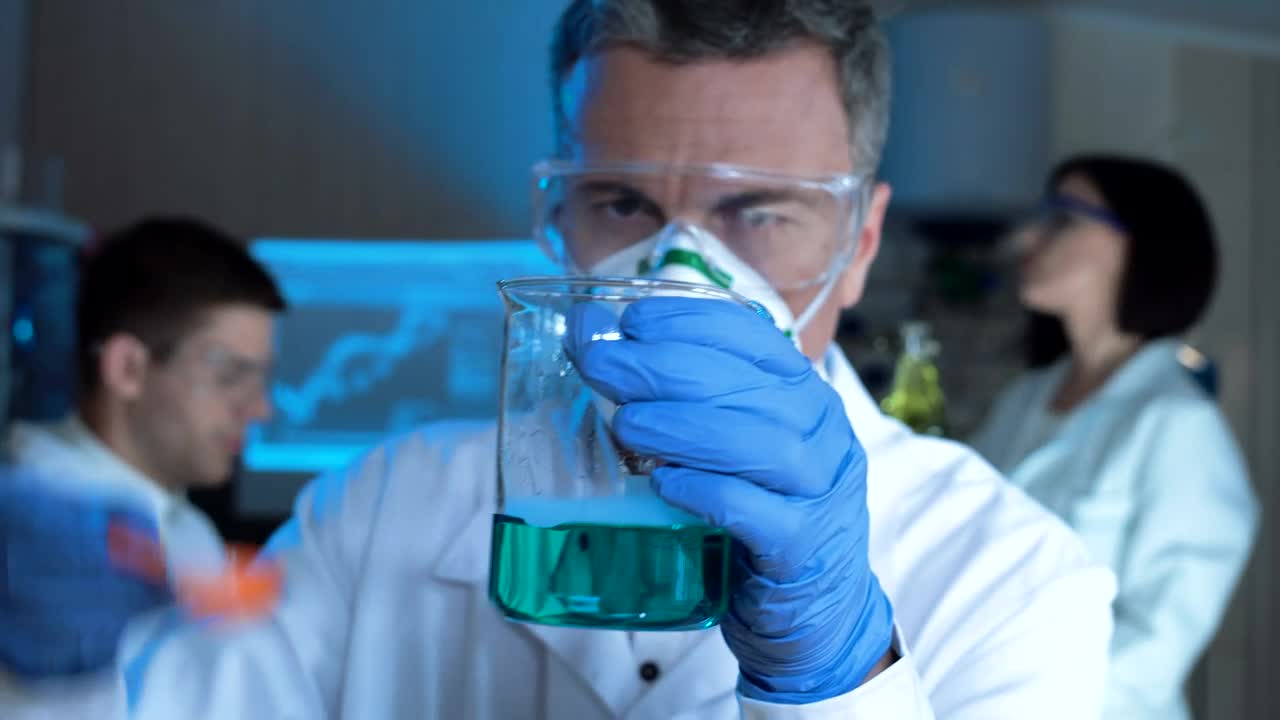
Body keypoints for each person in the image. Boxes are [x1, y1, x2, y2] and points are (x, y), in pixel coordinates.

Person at [1, 3, 1118, 718]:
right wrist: (46, 679)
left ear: (860, 243)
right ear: (555, 214)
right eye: (620, 202)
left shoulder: (1013, 578)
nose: (675, 272)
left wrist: (838, 681)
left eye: (759, 213)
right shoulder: (383, 509)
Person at [970, 154, 1259, 720]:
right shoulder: (1025, 398)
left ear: (1139, 246)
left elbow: (1155, 649)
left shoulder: (1177, 422)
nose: (1028, 235)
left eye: (1063, 217)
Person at [0, 217, 285, 717]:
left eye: (260, 379)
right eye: (230, 376)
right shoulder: (32, 539)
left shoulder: (189, 531)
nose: (260, 409)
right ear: (127, 368)